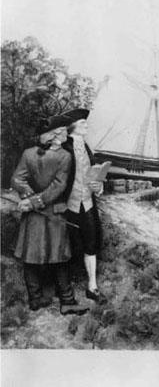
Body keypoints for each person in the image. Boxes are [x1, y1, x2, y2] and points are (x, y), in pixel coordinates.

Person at [11, 114, 89, 315]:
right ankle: (67, 301)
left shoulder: (28, 153)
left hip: (33, 213)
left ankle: (35, 300)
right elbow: (58, 187)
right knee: (59, 257)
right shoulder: (64, 156)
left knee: (31, 256)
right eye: (64, 130)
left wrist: (30, 199)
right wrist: (35, 201)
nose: (66, 133)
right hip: (55, 213)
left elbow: (18, 180)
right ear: (55, 135)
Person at [61, 108, 107, 304]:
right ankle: (63, 289)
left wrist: (99, 185)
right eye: (82, 124)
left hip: (87, 202)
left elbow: (94, 171)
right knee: (64, 244)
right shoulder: (63, 147)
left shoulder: (87, 147)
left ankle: (92, 286)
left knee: (91, 241)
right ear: (72, 127)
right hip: (67, 204)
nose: (87, 126)